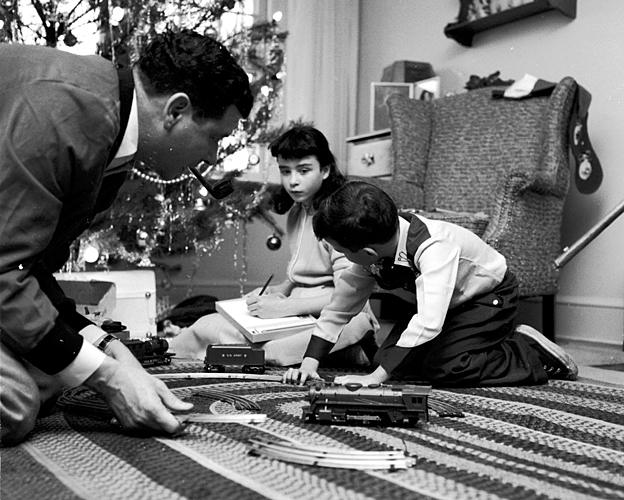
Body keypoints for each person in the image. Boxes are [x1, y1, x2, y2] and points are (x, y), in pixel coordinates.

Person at [0, 29, 253, 446]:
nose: (211, 157)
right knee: (13, 401)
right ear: (176, 110)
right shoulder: (61, 112)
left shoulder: (109, 125)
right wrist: (110, 379)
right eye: (214, 138)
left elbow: (31, 264)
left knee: (56, 366)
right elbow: (5, 269)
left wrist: (107, 348)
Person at [282, 181, 578, 387]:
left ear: (367, 252)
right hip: (441, 305)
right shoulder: (371, 255)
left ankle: (525, 351)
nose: (343, 257)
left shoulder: (434, 247)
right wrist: (310, 362)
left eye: (343, 252)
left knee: (447, 367)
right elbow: (340, 307)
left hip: (487, 298)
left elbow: (427, 322)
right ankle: (478, 344)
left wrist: (374, 380)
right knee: (387, 361)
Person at [168, 126, 378, 366]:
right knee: (207, 325)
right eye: (285, 172)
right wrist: (273, 292)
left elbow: (348, 294)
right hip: (299, 311)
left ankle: (348, 350)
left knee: (271, 349)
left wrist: (284, 307)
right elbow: (300, 275)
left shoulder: (339, 218)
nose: (293, 181)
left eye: (304, 171)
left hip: (338, 314)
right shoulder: (297, 213)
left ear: (326, 170)